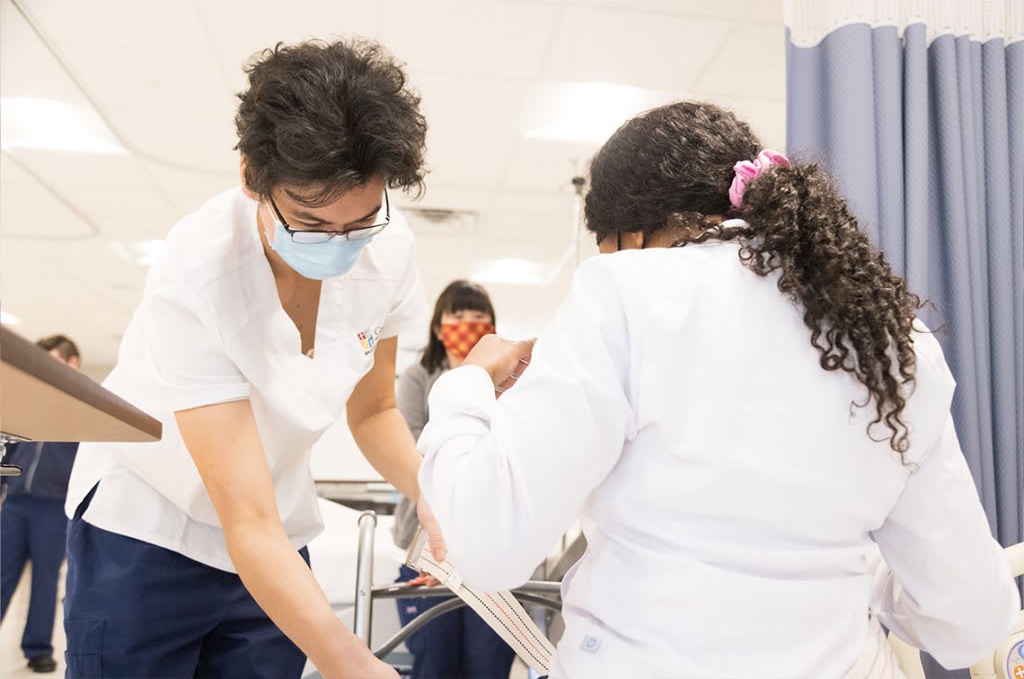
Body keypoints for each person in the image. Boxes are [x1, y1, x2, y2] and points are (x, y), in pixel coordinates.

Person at [415, 101, 1020, 678]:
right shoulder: (892, 337)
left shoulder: (623, 293)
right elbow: (969, 620)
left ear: (629, 238)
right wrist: (854, 571)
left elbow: (486, 544)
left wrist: (464, 389)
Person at [63, 39, 434, 679]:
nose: (340, 245)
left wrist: (437, 499)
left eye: (361, 221)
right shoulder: (197, 272)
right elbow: (246, 517)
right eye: (311, 224)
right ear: (251, 179)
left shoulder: (390, 250)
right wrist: (352, 663)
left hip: (276, 536)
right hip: (152, 527)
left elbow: (372, 411)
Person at [391, 280, 516, 679]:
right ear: (437, 325)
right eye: (457, 315)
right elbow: (406, 444)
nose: (468, 322)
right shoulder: (419, 376)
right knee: (435, 660)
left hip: (491, 536)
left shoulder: (511, 378)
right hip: (429, 541)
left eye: (478, 315)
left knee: (487, 661)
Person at [0, 335, 81, 674]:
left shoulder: (80, 408)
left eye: (50, 360)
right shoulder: (28, 403)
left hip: (54, 506)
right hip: (16, 503)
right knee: (1, 574)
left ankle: (37, 649)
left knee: (46, 580)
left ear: (71, 362)